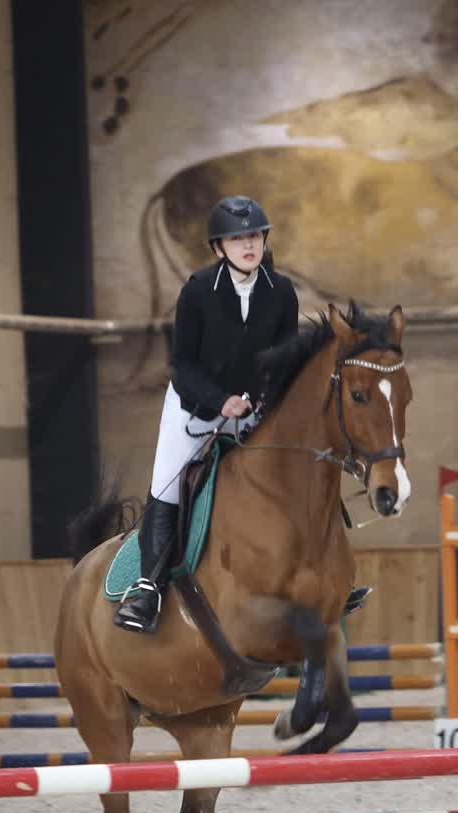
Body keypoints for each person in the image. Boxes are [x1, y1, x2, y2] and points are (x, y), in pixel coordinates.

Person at [115, 195, 298, 633]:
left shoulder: (282, 292)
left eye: (254, 236)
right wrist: (221, 401)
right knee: (167, 487)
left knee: (295, 477)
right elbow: (182, 365)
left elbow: (286, 359)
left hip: (252, 411)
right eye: (237, 239)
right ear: (219, 248)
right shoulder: (197, 291)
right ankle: (148, 589)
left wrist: (264, 398)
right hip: (194, 408)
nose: (248, 245)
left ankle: (315, 574)